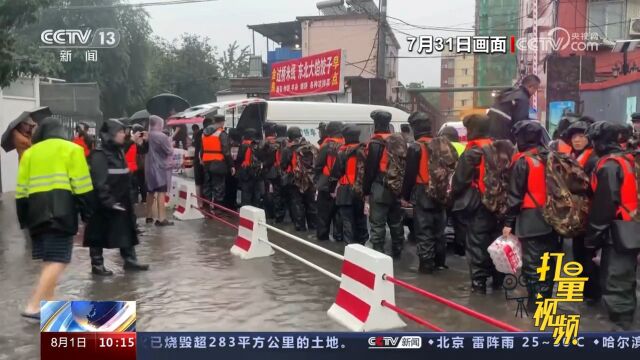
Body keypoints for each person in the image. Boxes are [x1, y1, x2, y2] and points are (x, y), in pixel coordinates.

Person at [15, 118, 93, 319]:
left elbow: (21, 192)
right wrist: (88, 215)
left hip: (35, 215)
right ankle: (33, 306)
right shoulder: (72, 149)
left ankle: (47, 304)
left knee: (50, 259)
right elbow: (82, 186)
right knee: (59, 259)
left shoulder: (30, 153)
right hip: (62, 212)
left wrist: (24, 220)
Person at [586, 121, 639, 331]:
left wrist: (592, 238)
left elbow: (603, 206)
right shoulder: (629, 159)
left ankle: (622, 330)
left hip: (618, 232)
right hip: (631, 227)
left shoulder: (609, 165)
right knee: (626, 279)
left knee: (616, 282)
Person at [503, 120, 558, 311]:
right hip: (554, 219)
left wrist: (508, 222)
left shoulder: (522, 161)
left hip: (531, 219)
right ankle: (546, 302)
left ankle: (537, 306)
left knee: (533, 265)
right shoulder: (552, 157)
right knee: (549, 263)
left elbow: (515, 196)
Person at [84, 119, 149, 276]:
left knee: (127, 229)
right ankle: (97, 264)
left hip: (122, 198)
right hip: (104, 203)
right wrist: (108, 202)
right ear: (111, 134)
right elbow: (99, 182)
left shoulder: (118, 151)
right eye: (120, 132)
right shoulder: (99, 154)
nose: (123, 135)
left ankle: (130, 260)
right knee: (98, 232)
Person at [451, 114, 503, 294]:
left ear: (473, 130)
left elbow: (459, 181)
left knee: (477, 244)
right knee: (497, 244)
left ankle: (479, 286)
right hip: (500, 206)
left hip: (480, 206)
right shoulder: (500, 148)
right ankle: (498, 283)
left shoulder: (472, 152)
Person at [401, 112, 446, 273]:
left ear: (416, 128)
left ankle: (426, 268)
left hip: (423, 193)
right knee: (439, 231)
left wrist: (405, 196)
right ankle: (440, 264)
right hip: (441, 193)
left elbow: (409, 175)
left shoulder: (415, 147)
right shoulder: (443, 144)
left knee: (424, 231)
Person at [563, 120, 601, 303]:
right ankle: (585, 290)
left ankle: (592, 293)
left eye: (581, 136)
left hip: (588, 213)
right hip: (578, 214)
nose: (577, 140)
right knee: (578, 252)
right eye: (574, 137)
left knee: (586, 254)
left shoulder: (593, 158)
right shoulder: (572, 156)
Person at [362, 110, 405, 258]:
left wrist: (365, 191)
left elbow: (370, 170)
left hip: (380, 187)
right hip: (396, 187)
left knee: (377, 223)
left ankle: (378, 252)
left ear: (376, 124)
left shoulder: (376, 143)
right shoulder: (398, 141)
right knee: (396, 222)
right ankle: (398, 251)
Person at [329, 125, 368, 244]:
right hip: (360, 190)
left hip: (346, 191)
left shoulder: (342, 152)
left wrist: (331, 189)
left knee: (348, 222)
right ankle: (362, 245)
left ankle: (350, 247)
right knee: (361, 220)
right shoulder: (365, 151)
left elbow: (335, 173)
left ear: (346, 137)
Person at [280, 126, 317, 232]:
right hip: (310, 180)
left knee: (297, 204)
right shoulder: (311, 146)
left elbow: (283, 165)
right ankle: (313, 227)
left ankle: (300, 228)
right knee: (311, 204)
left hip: (295, 180)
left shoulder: (289, 149)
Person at [314, 121, 345, 242]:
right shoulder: (344, 144)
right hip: (342, 183)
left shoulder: (326, 146)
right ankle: (339, 237)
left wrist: (318, 180)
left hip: (326, 184)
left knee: (323, 214)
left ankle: (323, 238)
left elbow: (319, 165)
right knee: (338, 214)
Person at [487, 74, 540, 140]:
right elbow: (520, 123)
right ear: (530, 87)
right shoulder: (522, 98)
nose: (534, 93)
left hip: (490, 130)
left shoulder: (511, 92)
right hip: (502, 135)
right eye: (535, 89)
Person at [201, 115, 234, 214]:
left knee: (207, 185)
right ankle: (217, 209)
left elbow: (202, 149)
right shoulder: (221, 133)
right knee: (218, 186)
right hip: (218, 162)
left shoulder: (204, 133)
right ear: (222, 122)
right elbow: (226, 151)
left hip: (206, 161)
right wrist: (231, 165)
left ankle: (206, 208)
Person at [145, 115, 174, 226]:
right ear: (158, 124)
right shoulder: (161, 136)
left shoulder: (147, 135)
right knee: (161, 192)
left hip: (148, 167)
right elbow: (169, 151)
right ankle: (161, 218)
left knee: (150, 192)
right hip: (159, 168)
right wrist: (171, 145)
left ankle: (148, 216)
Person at [260, 122, 284, 222]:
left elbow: (263, 157)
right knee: (280, 194)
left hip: (270, 172)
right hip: (282, 172)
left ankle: (270, 214)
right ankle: (280, 215)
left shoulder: (267, 143)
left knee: (270, 193)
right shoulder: (286, 143)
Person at [236, 128, 264, 207]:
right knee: (256, 193)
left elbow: (239, 158)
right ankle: (256, 209)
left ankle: (246, 211)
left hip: (246, 173)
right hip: (256, 173)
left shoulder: (243, 145)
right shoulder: (258, 145)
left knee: (246, 194)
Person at [192, 118, 212, 209]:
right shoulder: (208, 134)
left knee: (199, 183)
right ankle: (205, 203)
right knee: (205, 182)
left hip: (197, 160)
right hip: (204, 161)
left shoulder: (197, 134)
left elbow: (196, 146)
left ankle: (199, 203)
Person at [132, 124, 148, 203]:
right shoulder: (145, 140)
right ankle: (144, 199)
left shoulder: (133, 141)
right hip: (143, 166)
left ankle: (135, 200)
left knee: (135, 183)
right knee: (142, 182)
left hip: (136, 165)